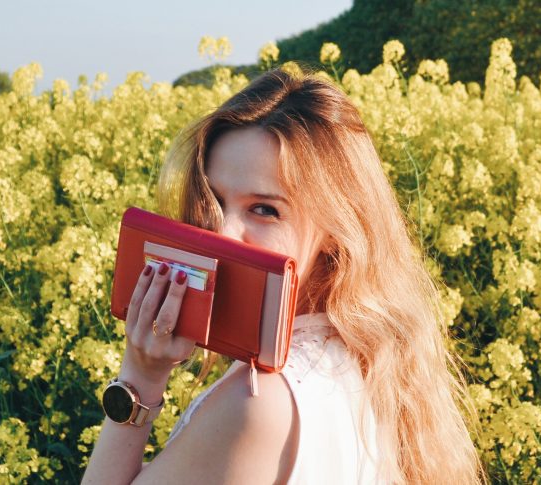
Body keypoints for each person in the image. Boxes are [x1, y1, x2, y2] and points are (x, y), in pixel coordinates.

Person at [82, 69, 482, 484]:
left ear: (335, 230)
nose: (222, 231)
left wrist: (139, 380)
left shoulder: (258, 404)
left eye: (264, 209)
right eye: (214, 201)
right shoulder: (368, 367)